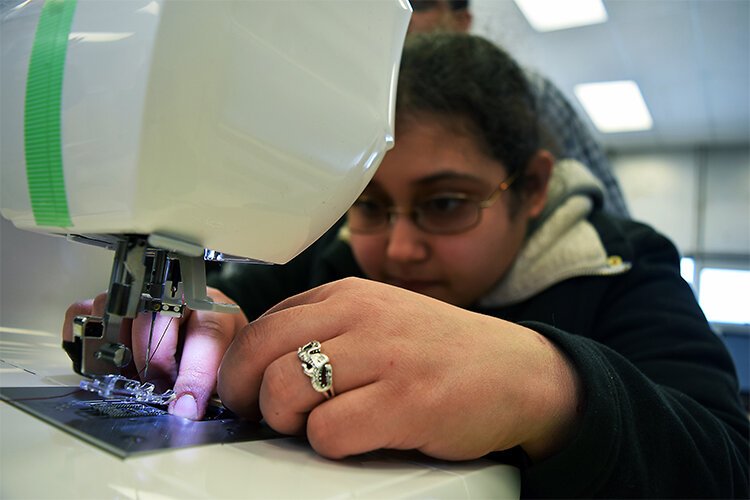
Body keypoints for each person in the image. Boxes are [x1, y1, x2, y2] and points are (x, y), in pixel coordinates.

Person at [64, 33, 748, 498]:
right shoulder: (331, 258)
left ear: (534, 188)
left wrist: (553, 387)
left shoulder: (624, 271)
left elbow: (728, 465)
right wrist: (192, 323)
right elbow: (230, 303)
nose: (396, 249)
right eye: (369, 205)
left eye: (446, 204)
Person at [409, 0, 631, 218]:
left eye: (418, 5)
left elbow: (605, 206)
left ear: (461, 20)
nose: (403, 15)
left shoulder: (524, 90)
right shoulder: (382, 104)